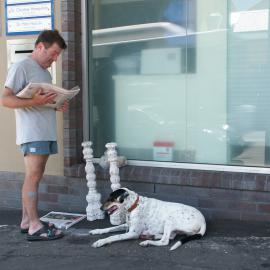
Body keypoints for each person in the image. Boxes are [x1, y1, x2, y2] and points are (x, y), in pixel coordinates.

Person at [0, 30, 68, 241]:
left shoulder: (45, 73)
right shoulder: (21, 67)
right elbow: (5, 100)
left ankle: (26, 221)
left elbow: (39, 102)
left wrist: (55, 105)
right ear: (40, 47)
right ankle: (35, 226)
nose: (55, 58)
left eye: (58, 55)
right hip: (32, 133)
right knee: (33, 177)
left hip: (45, 131)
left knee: (35, 176)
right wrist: (36, 102)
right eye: (54, 53)